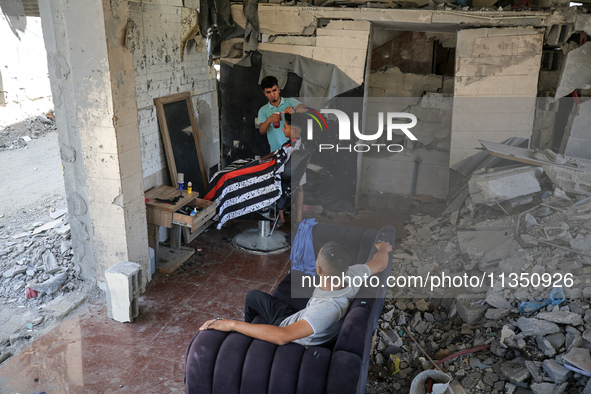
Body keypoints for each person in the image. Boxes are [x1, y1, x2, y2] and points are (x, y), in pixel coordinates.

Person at [199, 240, 392, 346]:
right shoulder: (354, 273)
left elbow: (282, 336)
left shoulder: (327, 309)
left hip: (293, 329)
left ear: (318, 269)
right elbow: (380, 262)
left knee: (253, 297)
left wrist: (232, 324)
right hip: (302, 315)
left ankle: (245, 335)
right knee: (254, 296)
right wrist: (384, 247)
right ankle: (249, 329)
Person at [258, 76, 307, 153]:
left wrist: (294, 109)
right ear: (264, 93)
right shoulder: (263, 110)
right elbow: (262, 131)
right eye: (268, 92)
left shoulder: (290, 101)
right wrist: (269, 120)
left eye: (274, 90)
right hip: (276, 151)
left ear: (279, 89)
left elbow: (306, 109)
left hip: (295, 148)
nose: (272, 94)